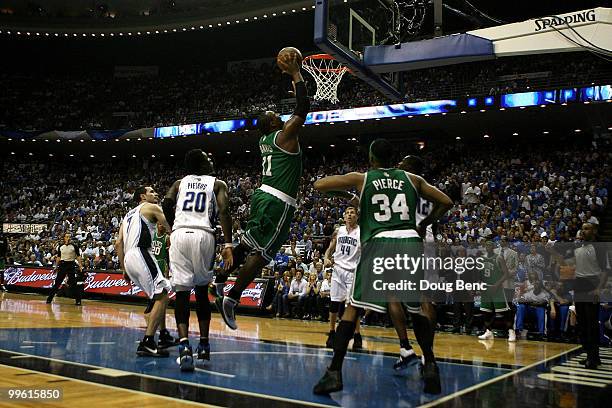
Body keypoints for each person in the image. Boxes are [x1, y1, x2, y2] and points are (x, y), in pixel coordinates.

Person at [312, 139, 453, 395]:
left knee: (353, 308)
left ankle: (334, 372)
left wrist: (348, 190)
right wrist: (424, 223)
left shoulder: (363, 177)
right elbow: (446, 202)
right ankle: (430, 365)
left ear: (371, 158)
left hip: (379, 243)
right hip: (410, 241)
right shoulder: (413, 179)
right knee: (418, 307)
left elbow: (319, 185)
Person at [216, 51, 310, 330]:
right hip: (277, 201)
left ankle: (219, 280)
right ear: (271, 124)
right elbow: (302, 110)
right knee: (263, 255)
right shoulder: (283, 136)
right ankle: (232, 298)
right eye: (275, 116)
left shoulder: (266, 141)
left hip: (262, 195)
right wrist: (295, 75)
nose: (280, 116)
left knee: (248, 245)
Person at [162, 149, 233, 371]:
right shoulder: (217, 184)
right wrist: (229, 245)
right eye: (207, 157)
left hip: (180, 234)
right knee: (202, 291)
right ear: (200, 164)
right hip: (204, 235)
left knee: (182, 293)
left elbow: (166, 203)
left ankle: (184, 347)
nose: (211, 160)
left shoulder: (179, 183)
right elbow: (224, 212)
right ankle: (203, 344)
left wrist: (173, 227)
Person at [115, 186, 173, 357]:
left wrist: (124, 268)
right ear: (142, 196)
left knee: (160, 295)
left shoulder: (126, 216)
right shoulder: (151, 207)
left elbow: (118, 243)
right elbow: (170, 228)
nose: (155, 194)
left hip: (128, 258)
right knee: (162, 294)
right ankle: (148, 341)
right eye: (152, 192)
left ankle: (163, 335)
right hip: (141, 253)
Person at [548, 223, 608, 368]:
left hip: (591, 288)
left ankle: (593, 358)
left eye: (587, 228)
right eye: (582, 228)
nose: (583, 230)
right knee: (583, 324)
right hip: (579, 288)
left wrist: (599, 289)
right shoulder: (578, 248)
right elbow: (566, 266)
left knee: (591, 325)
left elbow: (606, 271)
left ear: (594, 231)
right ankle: (589, 355)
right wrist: (553, 253)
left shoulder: (599, 248)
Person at [324, 206, 362, 350]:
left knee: (353, 306)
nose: (350, 215)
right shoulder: (339, 231)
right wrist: (326, 257)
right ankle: (332, 332)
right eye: (347, 213)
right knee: (334, 304)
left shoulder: (361, 232)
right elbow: (330, 248)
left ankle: (357, 334)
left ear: (356, 216)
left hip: (353, 271)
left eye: (352, 213)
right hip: (338, 270)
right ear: (344, 217)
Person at [145, 222, 177, 349]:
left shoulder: (167, 238)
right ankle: (157, 332)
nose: (162, 226)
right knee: (161, 299)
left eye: (163, 225)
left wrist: (167, 272)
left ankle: (162, 332)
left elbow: (169, 256)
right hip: (152, 266)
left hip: (162, 266)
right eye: (160, 224)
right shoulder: (152, 236)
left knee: (163, 298)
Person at [477, 241, 515, 342]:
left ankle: (511, 331)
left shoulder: (498, 257)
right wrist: (479, 284)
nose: (488, 246)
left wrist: (496, 285)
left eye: (490, 245)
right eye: (486, 245)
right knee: (486, 312)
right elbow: (479, 275)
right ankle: (488, 332)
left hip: (497, 288)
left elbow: (506, 274)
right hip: (486, 288)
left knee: (504, 311)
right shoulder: (481, 259)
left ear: (493, 247)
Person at [46, 233, 84, 305]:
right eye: (67, 237)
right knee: (57, 283)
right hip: (62, 265)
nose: (68, 238)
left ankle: (78, 301)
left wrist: (80, 266)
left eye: (69, 237)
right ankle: (49, 299)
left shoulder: (74, 246)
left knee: (73, 284)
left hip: (71, 265)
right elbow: (58, 257)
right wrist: (56, 267)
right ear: (64, 238)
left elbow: (78, 256)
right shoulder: (61, 246)